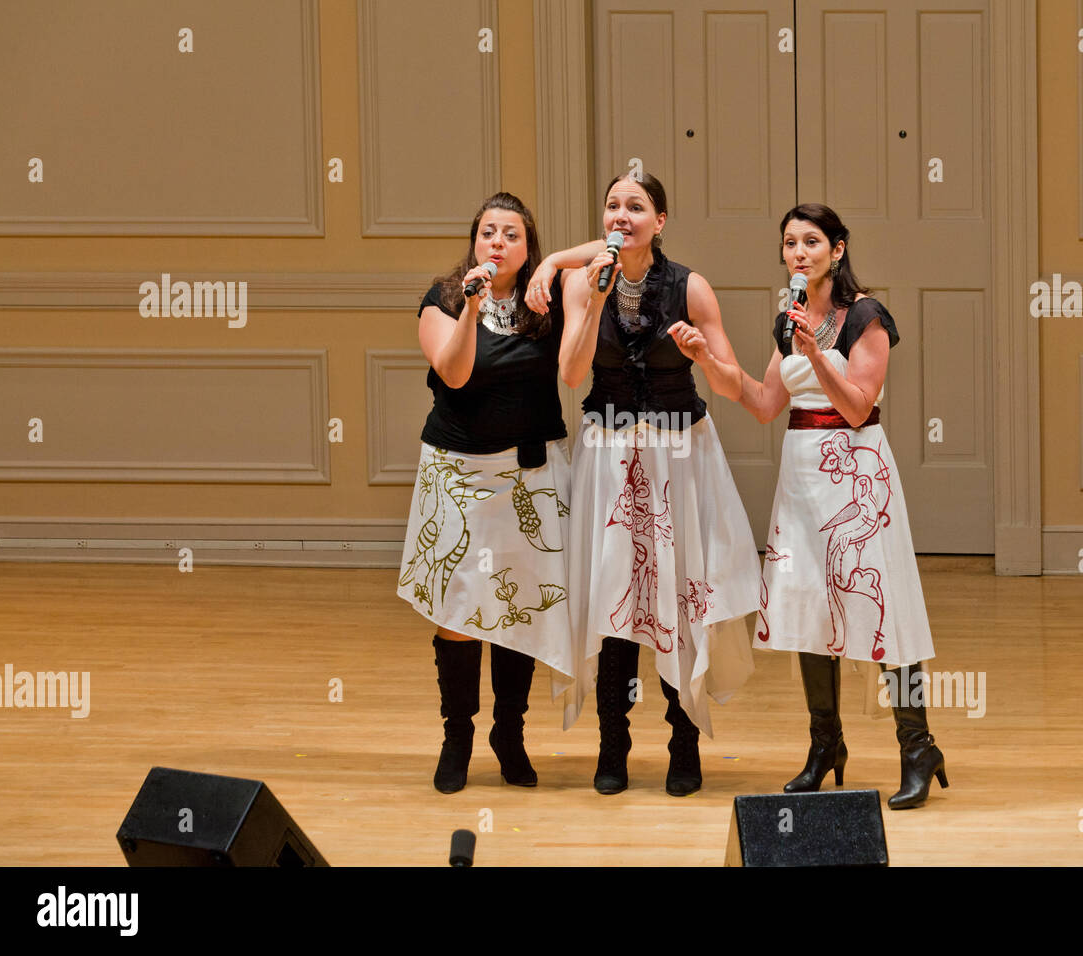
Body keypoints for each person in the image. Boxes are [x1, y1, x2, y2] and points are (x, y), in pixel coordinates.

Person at [732, 202, 948, 809]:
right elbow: (766, 403)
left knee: (883, 607)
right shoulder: (789, 320)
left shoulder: (866, 315)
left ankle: (917, 747)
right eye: (790, 243)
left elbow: (857, 405)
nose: (799, 253)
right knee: (806, 609)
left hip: (854, 472)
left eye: (811, 242)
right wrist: (709, 361)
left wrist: (816, 352)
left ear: (838, 249)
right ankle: (825, 746)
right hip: (801, 474)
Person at [558, 171, 757, 797]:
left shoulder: (690, 286)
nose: (622, 215)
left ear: (660, 221)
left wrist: (703, 356)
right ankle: (611, 744)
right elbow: (570, 375)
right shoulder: (581, 282)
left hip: (679, 454)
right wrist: (592, 301)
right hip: (609, 452)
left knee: (676, 595)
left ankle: (684, 740)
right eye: (613, 206)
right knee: (615, 593)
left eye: (636, 207)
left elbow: (731, 385)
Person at [397, 192, 600, 794]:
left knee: (521, 612)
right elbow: (455, 372)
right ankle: (456, 735)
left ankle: (509, 734)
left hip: (531, 476)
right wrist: (470, 307)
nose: (498, 243)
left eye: (512, 234)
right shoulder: (443, 297)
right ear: (474, 241)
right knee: (459, 614)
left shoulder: (549, 298)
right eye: (489, 232)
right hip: (459, 474)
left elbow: (618, 247)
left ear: (527, 245)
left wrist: (555, 261)